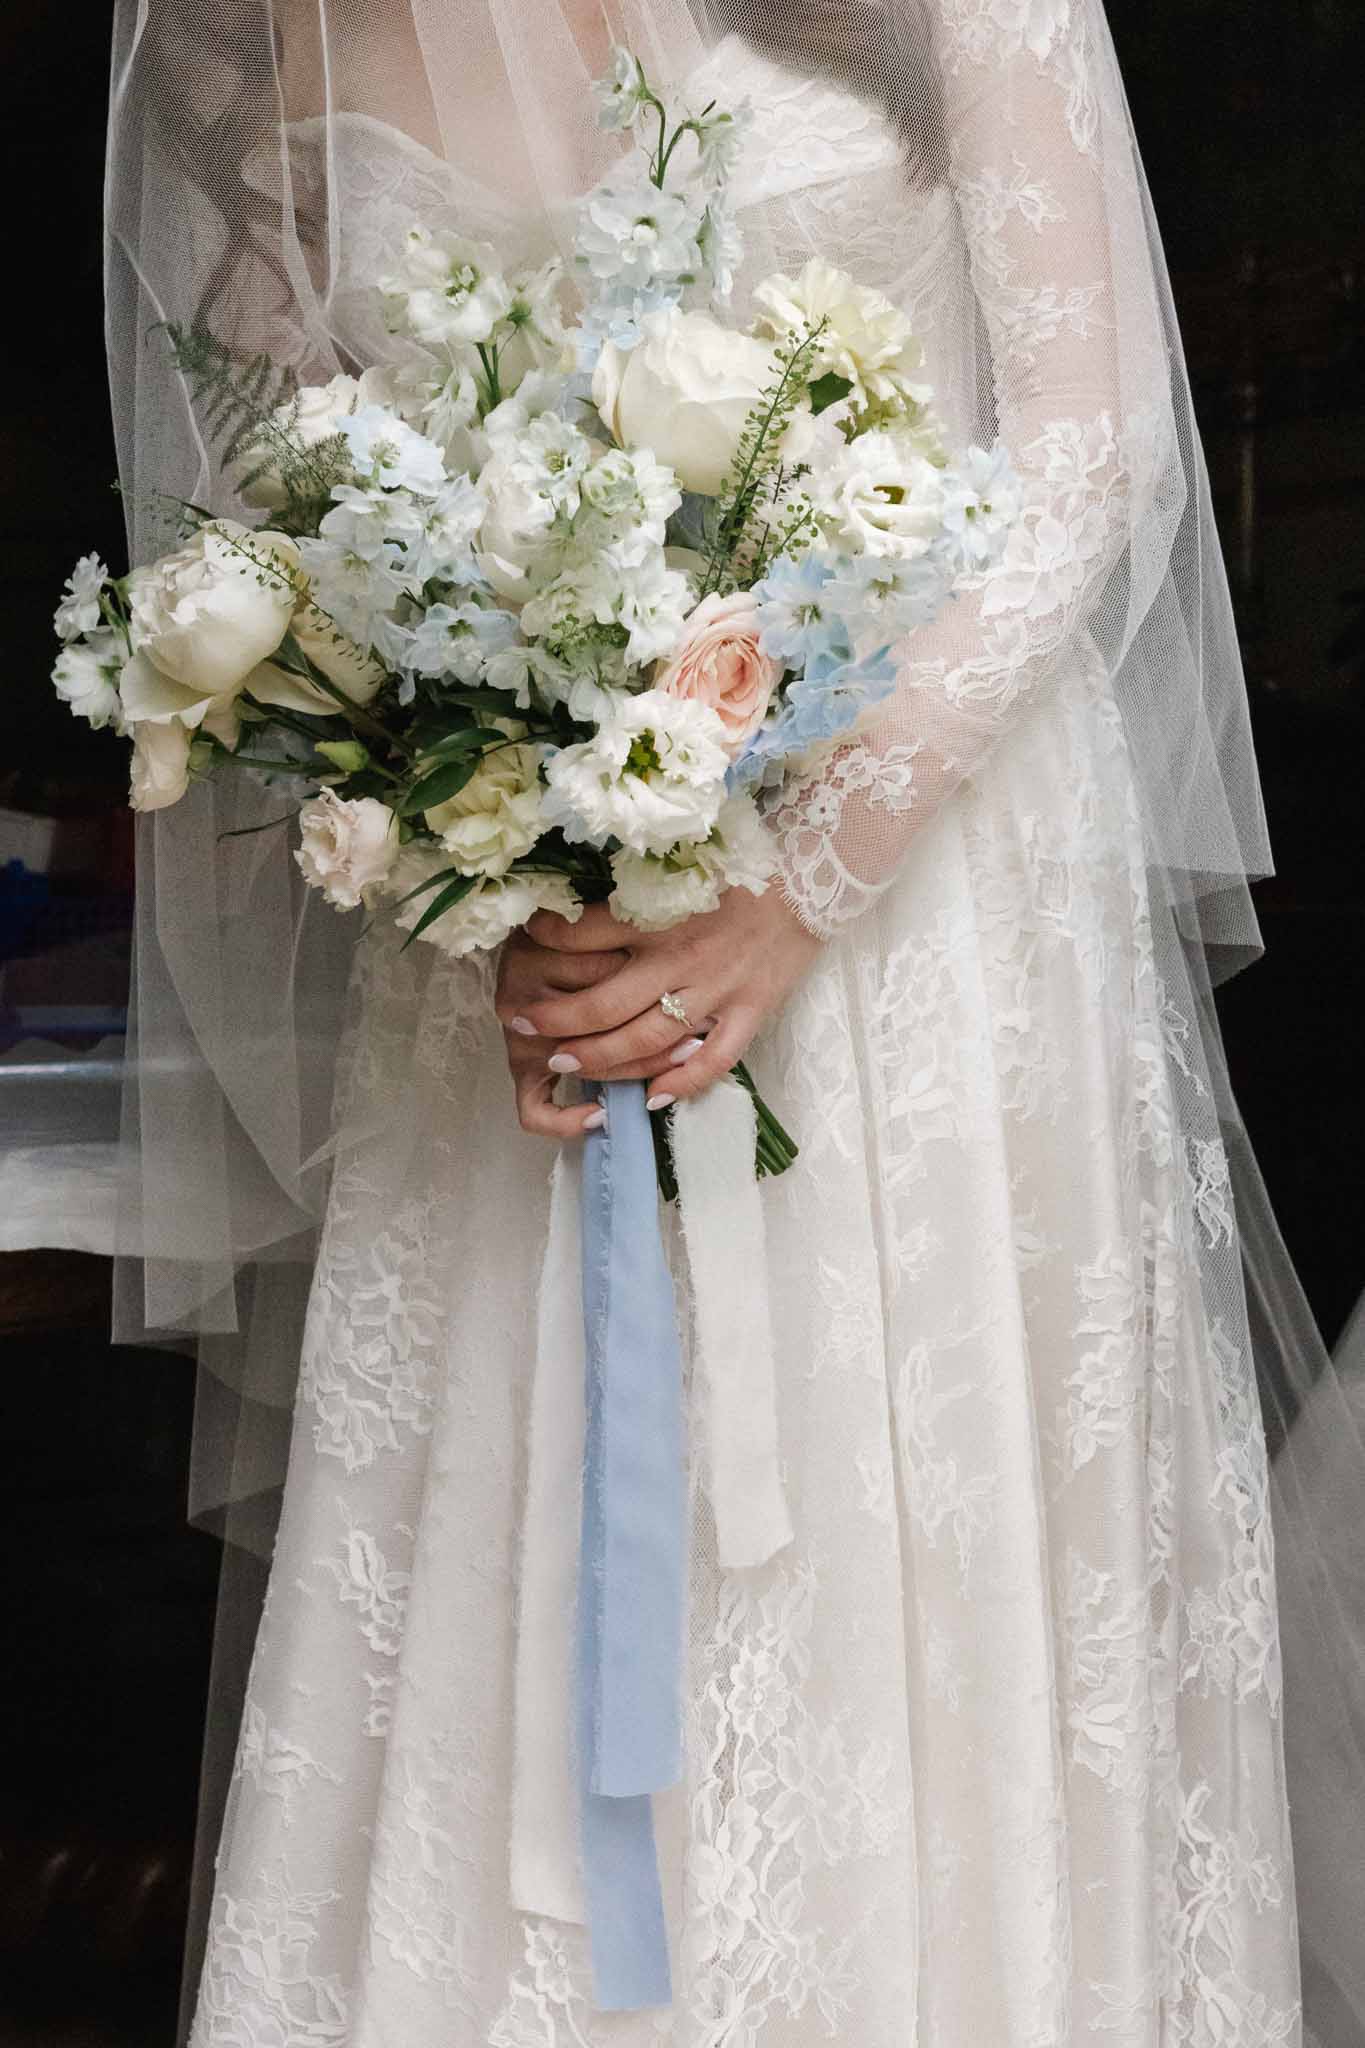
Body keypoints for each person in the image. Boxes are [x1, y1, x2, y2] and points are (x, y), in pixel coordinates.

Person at [100, 0, 1365, 2040]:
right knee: (528, 1593)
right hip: (542, 977)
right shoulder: (256, 39)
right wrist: (468, 835)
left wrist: (805, 882)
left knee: (915, 1604)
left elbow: (1081, 449)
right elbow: (290, 512)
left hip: (923, 917)